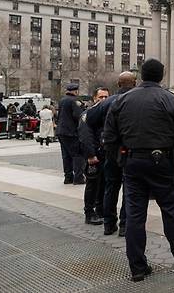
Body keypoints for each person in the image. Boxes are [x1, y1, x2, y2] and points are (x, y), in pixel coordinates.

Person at [104, 59, 174, 282]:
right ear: (162, 76)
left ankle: (137, 267)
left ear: (140, 75)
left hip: (132, 163)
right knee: (171, 212)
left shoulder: (121, 101)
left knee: (134, 215)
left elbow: (109, 137)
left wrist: (121, 160)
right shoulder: (171, 100)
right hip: (164, 163)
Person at [87, 73, 136, 236]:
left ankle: (109, 224)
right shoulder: (137, 100)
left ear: (118, 84)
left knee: (111, 187)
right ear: (134, 83)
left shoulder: (107, 102)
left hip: (111, 150)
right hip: (130, 150)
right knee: (129, 187)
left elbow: (89, 119)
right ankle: (124, 225)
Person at [78, 87, 110, 226]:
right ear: (94, 99)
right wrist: (90, 154)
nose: (103, 100)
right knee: (92, 184)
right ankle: (89, 213)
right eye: (101, 97)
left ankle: (100, 209)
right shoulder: (88, 114)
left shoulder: (107, 114)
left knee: (103, 183)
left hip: (105, 154)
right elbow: (85, 136)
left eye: (106, 97)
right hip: (94, 154)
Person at [56, 83, 85, 185]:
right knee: (77, 154)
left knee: (66, 155)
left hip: (61, 131)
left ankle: (68, 177)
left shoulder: (62, 100)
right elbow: (79, 116)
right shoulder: (75, 101)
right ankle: (78, 177)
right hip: (71, 132)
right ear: (76, 91)